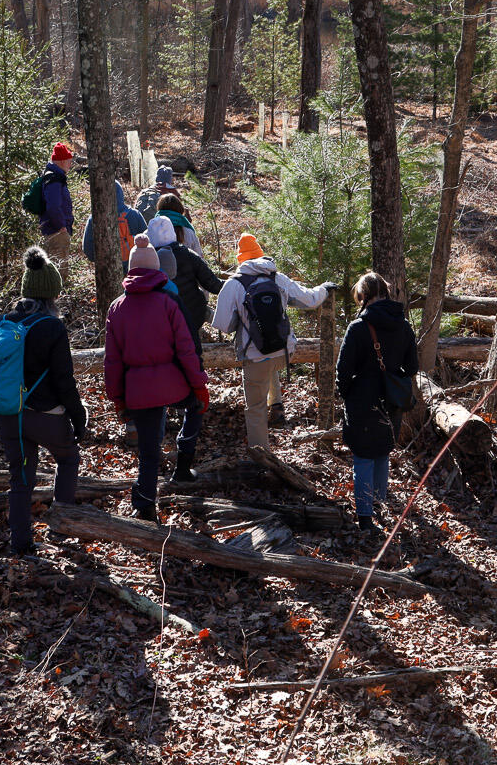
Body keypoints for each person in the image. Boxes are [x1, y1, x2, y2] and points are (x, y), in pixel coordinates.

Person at [104, 238, 209, 519]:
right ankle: (183, 463)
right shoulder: (169, 302)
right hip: (174, 386)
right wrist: (199, 385)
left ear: (130, 269)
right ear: (156, 268)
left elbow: (112, 360)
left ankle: (145, 505)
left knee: (148, 452)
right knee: (196, 406)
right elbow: (186, 349)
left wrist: (118, 399)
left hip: (138, 391)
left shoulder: (117, 307)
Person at [0, 248, 87, 556]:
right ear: (52, 295)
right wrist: (79, 416)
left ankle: (20, 543)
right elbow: (64, 380)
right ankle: (60, 528)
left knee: (21, 479)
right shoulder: (52, 327)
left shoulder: (2, 322)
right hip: (46, 416)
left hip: (9, 413)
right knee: (68, 459)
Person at [211, 234, 333, 454]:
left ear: (240, 259)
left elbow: (224, 325)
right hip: (284, 353)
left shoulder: (233, 285)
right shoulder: (278, 278)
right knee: (269, 362)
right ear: (260, 254)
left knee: (255, 408)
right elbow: (310, 299)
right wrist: (324, 288)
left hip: (254, 356)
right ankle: (276, 406)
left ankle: (261, 456)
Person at [335, 271, 417, 533]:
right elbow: (412, 367)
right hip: (391, 402)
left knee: (363, 459)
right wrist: (392, 376)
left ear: (364, 296)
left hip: (361, 402)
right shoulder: (404, 326)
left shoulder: (358, 328)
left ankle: (365, 519)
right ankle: (379, 506)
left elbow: (343, 371)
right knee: (382, 454)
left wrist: (347, 394)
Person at [146, 214, 224, 481]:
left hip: (155, 347)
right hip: (190, 335)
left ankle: (152, 465)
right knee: (193, 398)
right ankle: (183, 461)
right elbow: (214, 284)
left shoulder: (145, 265)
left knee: (158, 401)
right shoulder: (189, 256)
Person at [81, 176, 147, 267]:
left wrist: (99, 261)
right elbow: (147, 239)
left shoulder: (95, 217)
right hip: (135, 267)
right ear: (121, 194)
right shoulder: (135, 214)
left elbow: (87, 247)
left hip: (106, 268)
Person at [31, 143, 77, 263]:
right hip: (57, 233)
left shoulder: (53, 177)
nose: (70, 165)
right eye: (69, 161)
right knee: (60, 269)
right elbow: (53, 206)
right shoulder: (54, 179)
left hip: (55, 231)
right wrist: (61, 226)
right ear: (62, 161)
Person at [153, 191, 202, 256]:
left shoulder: (152, 230)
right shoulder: (188, 231)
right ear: (180, 208)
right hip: (185, 262)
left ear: (159, 209)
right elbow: (199, 255)